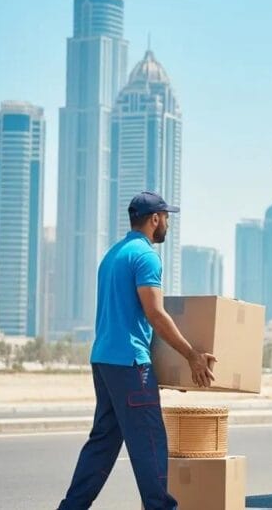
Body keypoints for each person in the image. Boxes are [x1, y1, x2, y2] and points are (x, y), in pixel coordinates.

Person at [58, 191, 216, 510]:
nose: (168, 223)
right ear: (154, 219)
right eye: (166, 217)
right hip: (130, 364)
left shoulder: (113, 255)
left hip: (104, 361)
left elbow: (129, 316)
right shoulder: (146, 256)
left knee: (102, 445)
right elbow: (154, 313)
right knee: (150, 444)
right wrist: (191, 356)